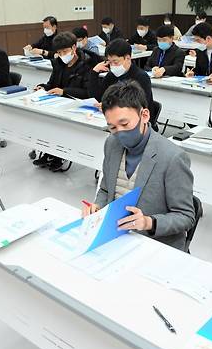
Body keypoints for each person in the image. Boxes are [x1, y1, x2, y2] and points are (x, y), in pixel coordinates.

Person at [82, 81, 195, 251]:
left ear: (145, 115)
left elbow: (185, 216)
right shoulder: (111, 143)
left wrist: (148, 222)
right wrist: (97, 208)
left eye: (125, 124)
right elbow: (106, 190)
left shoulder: (173, 157)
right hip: (116, 235)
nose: (119, 132)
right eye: (112, 127)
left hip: (153, 244)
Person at [33, 32, 93, 172]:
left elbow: (87, 93)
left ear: (74, 47)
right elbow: (51, 84)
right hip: (58, 104)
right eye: (59, 52)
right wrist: (43, 87)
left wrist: (64, 91)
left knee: (62, 125)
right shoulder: (59, 64)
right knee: (46, 121)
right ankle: (48, 152)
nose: (62, 55)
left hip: (77, 106)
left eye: (64, 51)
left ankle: (61, 156)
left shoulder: (87, 65)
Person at [89, 39, 156, 126]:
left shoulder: (141, 77)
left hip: (138, 124)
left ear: (128, 58)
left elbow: (138, 106)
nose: (112, 66)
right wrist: (94, 72)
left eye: (115, 62)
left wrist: (111, 107)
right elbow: (98, 97)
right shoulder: (111, 75)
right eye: (110, 62)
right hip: (114, 119)